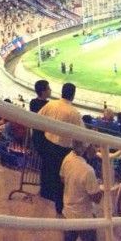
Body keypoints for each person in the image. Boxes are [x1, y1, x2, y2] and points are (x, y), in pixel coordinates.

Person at [38, 82, 84, 215]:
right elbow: (82, 134)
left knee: (48, 171)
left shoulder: (51, 104)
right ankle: (59, 206)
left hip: (48, 144)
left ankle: (45, 195)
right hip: (63, 150)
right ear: (73, 95)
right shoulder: (74, 113)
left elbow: (37, 118)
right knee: (61, 179)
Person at [60, 141, 105, 241]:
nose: (95, 149)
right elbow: (96, 199)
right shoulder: (88, 170)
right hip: (84, 217)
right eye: (93, 145)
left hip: (68, 212)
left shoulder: (68, 158)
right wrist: (102, 189)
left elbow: (62, 179)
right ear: (86, 148)